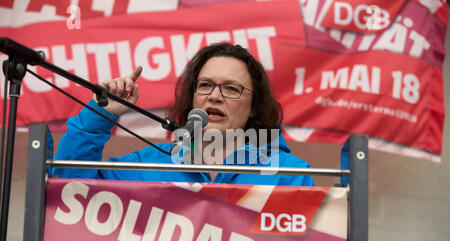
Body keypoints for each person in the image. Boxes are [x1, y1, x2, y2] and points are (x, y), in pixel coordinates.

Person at [53, 43, 314, 186]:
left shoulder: (289, 173)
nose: (214, 96)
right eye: (204, 85)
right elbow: (70, 192)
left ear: (254, 106)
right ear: (193, 99)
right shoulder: (148, 164)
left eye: (232, 89)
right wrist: (99, 116)